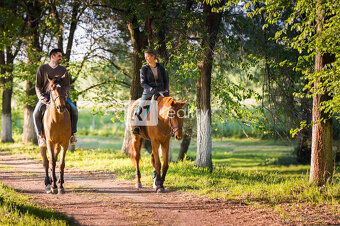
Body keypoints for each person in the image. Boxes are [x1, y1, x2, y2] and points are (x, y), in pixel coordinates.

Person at [33, 48, 78, 147]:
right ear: (52, 56)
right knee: (36, 113)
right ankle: (41, 136)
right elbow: (37, 85)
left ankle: (73, 134)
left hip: (61, 96)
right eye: (59, 56)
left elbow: (67, 85)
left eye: (61, 56)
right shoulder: (42, 68)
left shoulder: (63, 70)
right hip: (46, 96)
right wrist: (40, 97)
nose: (61, 58)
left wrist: (65, 95)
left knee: (74, 109)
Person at [133, 50, 169, 135]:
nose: (147, 59)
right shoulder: (144, 69)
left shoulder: (161, 68)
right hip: (149, 92)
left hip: (161, 92)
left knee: (172, 107)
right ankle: (137, 127)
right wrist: (149, 88)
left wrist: (166, 89)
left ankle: (171, 128)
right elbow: (143, 83)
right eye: (145, 57)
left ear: (153, 57)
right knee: (141, 108)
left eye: (148, 57)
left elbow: (166, 80)